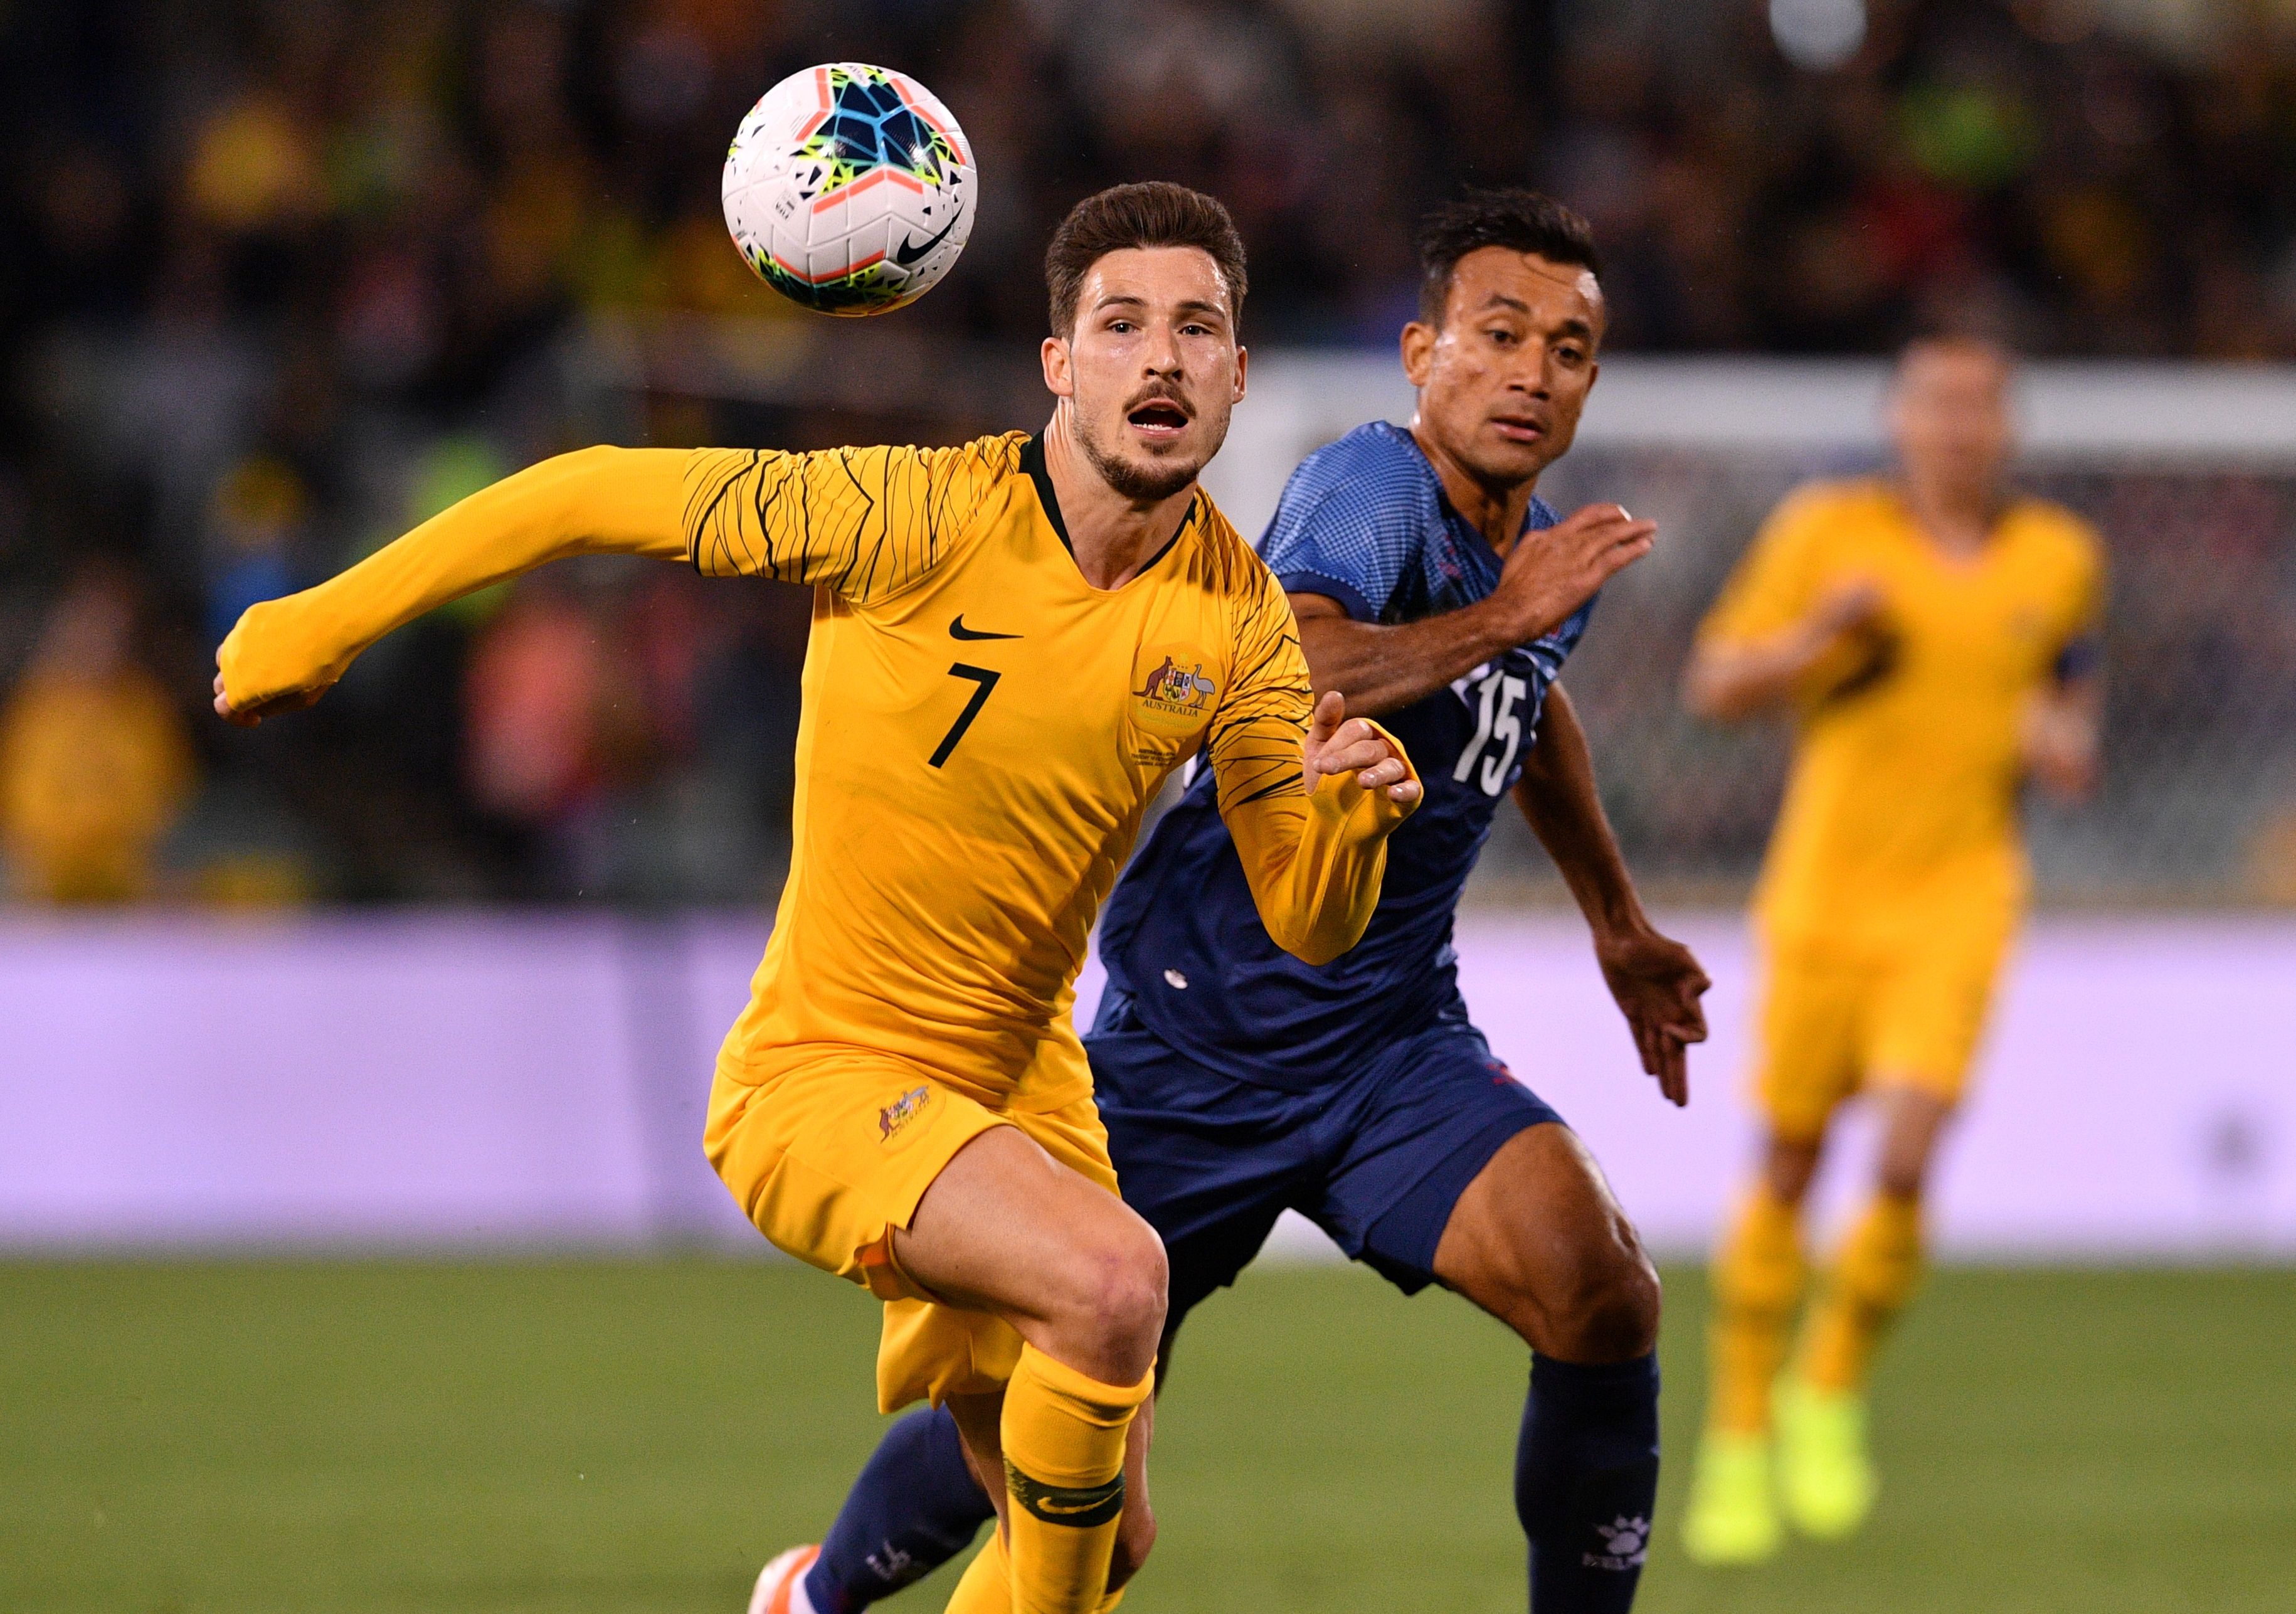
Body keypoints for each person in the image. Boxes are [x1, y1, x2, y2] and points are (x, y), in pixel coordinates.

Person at [213, 181, 1423, 1614]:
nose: (1159, 357)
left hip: (1018, 1091)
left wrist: (1348, 824)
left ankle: (801, 1603)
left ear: (1238, 373)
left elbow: (1307, 914)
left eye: (1196, 328)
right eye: (1122, 325)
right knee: (1114, 1282)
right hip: (824, 1071)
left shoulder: (1241, 624)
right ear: (1060, 363)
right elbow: (588, 486)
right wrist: (328, 618)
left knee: (1108, 1538)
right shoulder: (905, 512)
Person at [753, 190, 1710, 1614]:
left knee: (1602, 1288)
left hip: (1389, 1044)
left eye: (1568, 350)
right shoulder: (1371, 488)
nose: (1531, 372)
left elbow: (1530, 708)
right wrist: (1506, 617)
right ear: (1421, 352)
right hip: (1195, 1043)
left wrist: (1617, 920)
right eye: (1498, 334)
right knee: (1049, 1404)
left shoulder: (1540, 554)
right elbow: (1300, 668)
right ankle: (819, 1595)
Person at [1676, 336, 2104, 1563]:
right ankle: (1741, 1426)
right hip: (1822, 893)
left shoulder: (2059, 558)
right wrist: (1816, 636)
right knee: (1793, 1156)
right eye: (1936, 404)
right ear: (1899, 417)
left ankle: (1827, 1378)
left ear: (2008, 425)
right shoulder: (1827, 533)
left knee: (1910, 1155)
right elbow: (1714, 682)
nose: (1958, 426)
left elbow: (2071, 695)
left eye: (1979, 406)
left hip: (1961, 894)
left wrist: (2063, 741)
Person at [1, 567, 194, 903]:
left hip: (126, 872)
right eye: (87, 625)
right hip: (43, 874)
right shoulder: (35, 709)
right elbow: (17, 800)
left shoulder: (144, 712)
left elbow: (164, 798)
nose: (98, 641)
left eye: (110, 630)